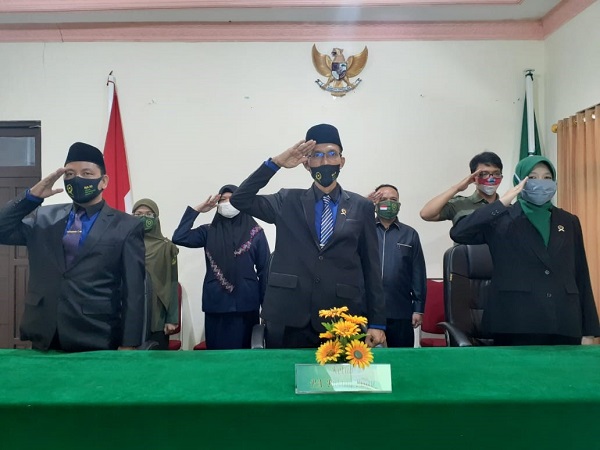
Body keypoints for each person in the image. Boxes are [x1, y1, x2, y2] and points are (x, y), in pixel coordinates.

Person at [230, 123, 386, 349]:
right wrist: (276, 163)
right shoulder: (286, 200)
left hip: (341, 317)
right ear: (306, 163)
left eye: (332, 154)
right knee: (282, 372)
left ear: (342, 161)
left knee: (338, 373)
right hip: (287, 315)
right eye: (317, 155)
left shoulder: (361, 207)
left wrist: (377, 322)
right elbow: (239, 199)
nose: (325, 161)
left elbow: (371, 266)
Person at [0, 142, 146, 351]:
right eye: (69, 174)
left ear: (103, 181)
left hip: (96, 335)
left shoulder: (126, 226)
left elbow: (134, 291)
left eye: (87, 173)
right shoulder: (43, 217)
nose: (77, 179)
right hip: (44, 334)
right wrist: (31, 197)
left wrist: (129, 343)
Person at [450, 155, 600, 345]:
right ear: (519, 181)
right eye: (533, 177)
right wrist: (501, 203)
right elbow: (459, 233)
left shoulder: (568, 221)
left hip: (564, 321)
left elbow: (581, 274)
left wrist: (589, 330)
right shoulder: (501, 218)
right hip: (516, 321)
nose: (541, 183)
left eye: (547, 178)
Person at [172, 185, 270, 349]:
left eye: (233, 199)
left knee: (246, 357)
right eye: (223, 200)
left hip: (246, 306)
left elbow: (264, 270)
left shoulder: (255, 233)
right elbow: (179, 237)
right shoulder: (208, 231)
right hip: (216, 306)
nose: (228, 203)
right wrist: (197, 210)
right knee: (217, 356)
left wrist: (266, 306)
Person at [368, 184, 427, 347]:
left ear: (399, 204)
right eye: (383, 199)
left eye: (393, 199)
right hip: (366, 311)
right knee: (363, 358)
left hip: (400, 309)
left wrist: (418, 308)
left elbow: (418, 272)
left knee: (401, 359)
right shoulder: (364, 230)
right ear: (375, 203)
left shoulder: (410, 234)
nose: (389, 203)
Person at [133, 199, 179, 350]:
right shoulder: (125, 244)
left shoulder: (166, 247)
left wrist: (172, 318)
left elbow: (172, 282)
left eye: (148, 214)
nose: (143, 218)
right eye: (138, 214)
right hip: (130, 314)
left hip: (157, 314)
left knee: (157, 360)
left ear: (156, 218)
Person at [420, 151, 504, 225]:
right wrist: (457, 188)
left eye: (496, 173)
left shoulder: (507, 207)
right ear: (473, 177)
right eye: (484, 174)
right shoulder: (459, 204)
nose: (491, 179)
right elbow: (426, 214)